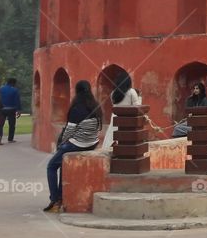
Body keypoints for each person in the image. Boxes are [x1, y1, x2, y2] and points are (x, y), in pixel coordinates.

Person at [44, 80, 102, 213]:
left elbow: (69, 131)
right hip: (91, 143)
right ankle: (60, 199)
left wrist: (61, 144)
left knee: (51, 166)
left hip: (77, 144)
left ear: (77, 91)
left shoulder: (76, 108)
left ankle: (55, 199)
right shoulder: (95, 106)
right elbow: (97, 127)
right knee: (62, 165)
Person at [102, 70, 142, 148]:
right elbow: (137, 107)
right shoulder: (131, 92)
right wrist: (139, 97)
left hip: (115, 120)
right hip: (127, 122)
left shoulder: (113, 93)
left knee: (111, 140)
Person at [0, 77, 22, 143]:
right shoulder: (15, 90)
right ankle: (10, 139)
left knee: (0, 124)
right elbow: (17, 101)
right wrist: (19, 110)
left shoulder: (0, 89)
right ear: (13, 83)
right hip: (11, 109)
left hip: (2, 109)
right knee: (11, 125)